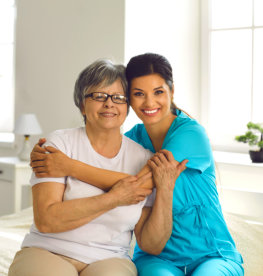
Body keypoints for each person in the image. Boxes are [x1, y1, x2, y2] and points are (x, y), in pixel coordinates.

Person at [30, 53, 243, 276]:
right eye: (139, 94)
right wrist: (44, 156)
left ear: (171, 92)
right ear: (129, 100)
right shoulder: (134, 142)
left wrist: (68, 166)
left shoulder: (190, 134)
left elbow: (140, 186)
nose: (149, 102)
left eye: (158, 92)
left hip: (209, 253)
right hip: (157, 256)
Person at [8, 59, 187, 276]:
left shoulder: (143, 159)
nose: (109, 104)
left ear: (127, 107)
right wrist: (114, 198)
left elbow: (152, 244)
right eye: (99, 96)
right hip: (48, 250)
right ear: (82, 104)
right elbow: (47, 220)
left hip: (110, 258)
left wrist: (166, 189)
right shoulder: (58, 145)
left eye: (118, 97)